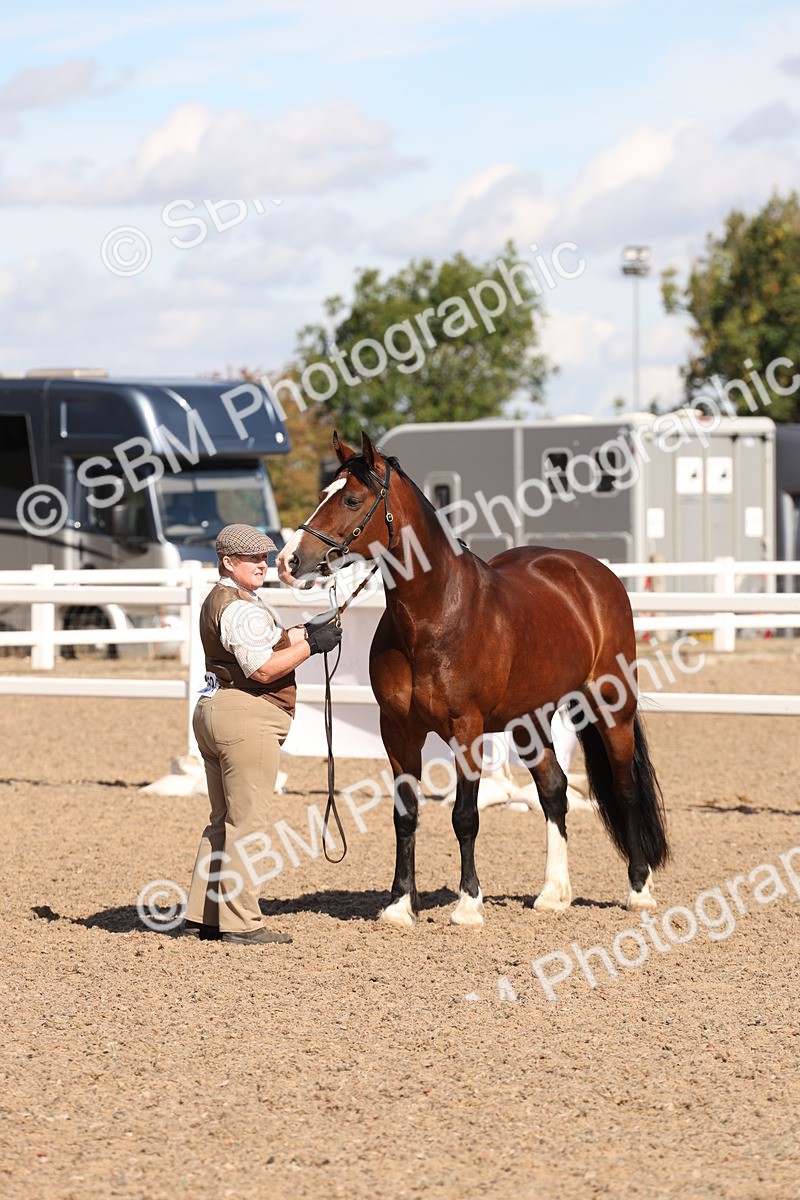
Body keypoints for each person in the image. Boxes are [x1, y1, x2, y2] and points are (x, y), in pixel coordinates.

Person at [181, 524, 341, 946]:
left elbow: (264, 646)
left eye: (264, 557)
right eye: (251, 558)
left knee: (223, 821)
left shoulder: (230, 599)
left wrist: (304, 632)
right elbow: (264, 670)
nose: (262, 564)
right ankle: (241, 923)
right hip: (245, 718)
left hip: (218, 711)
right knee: (247, 824)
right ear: (227, 562)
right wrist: (312, 647)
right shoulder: (239, 607)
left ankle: (204, 914)